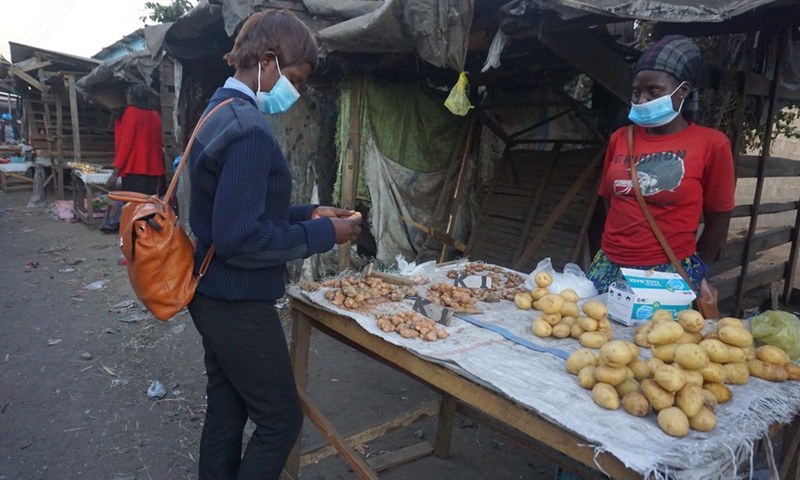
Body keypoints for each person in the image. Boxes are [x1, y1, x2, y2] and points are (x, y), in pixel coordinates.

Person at [186, 10, 362, 480]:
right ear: (267, 61)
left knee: (228, 409)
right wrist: (325, 235)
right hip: (236, 300)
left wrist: (310, 214)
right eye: (297, 80)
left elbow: (238, 210)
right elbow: (240, 239)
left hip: (210, 289)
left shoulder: (219, 109)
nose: (297, 93)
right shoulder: (249, 129)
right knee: (281, 419)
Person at [587, 35, 735, 294]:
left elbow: (719, 217)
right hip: (608, 265)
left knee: (655, 335)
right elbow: (610, 199)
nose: (642, 100)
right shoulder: (621, 138)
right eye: (636, 92)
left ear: (683, 91)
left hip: (668, 272)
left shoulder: (712, 144)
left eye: (653, 91)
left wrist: (697, 268)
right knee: (595, 331)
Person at [105, 84, 165, 194]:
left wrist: (115, 172)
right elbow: (158, 144)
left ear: (131, 97)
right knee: (148, 207)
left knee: (133, 207)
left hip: (134, 168)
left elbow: (126, 144)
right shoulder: (155, 115)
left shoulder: (131, 112)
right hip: (152, 168)